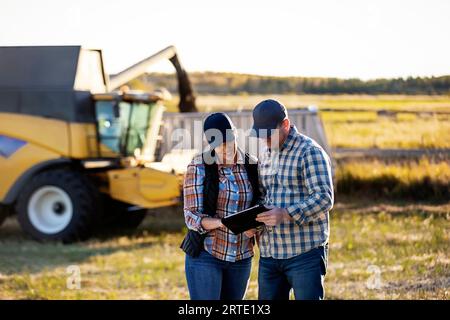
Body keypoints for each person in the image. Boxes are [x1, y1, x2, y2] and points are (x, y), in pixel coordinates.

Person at [251, 99, 334, 300]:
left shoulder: (310, 152)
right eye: (261, 135)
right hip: (270, 254)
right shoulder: (266, 153)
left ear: (285, 125)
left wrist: (286, 214)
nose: (265, 140)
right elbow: (264, 194)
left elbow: (324, 198)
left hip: (304, 254)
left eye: (269, 134)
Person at [182, 112, 261, 300]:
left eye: (229, 143)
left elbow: (261, 202)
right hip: (207, 254)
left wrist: (255, 225)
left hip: (241, 256)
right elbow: (191, 216)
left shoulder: (253, 165)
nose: (226, 150)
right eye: (220, 146)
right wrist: (222, 223)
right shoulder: (199, 166)